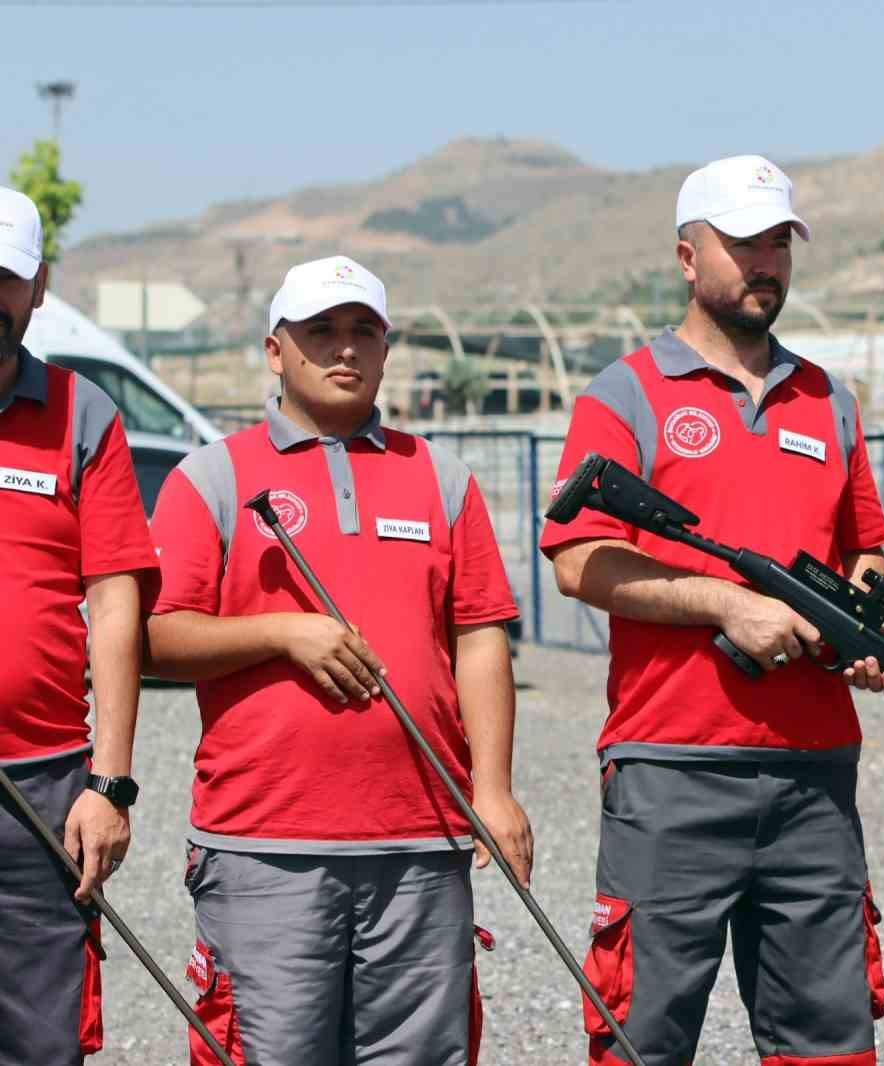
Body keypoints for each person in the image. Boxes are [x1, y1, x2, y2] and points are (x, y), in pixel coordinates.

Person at [542, 154, 884, 1066]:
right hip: (670, 768)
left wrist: (864, 629)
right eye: (742, 243)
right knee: (642, 1037)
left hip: (815, 775)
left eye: (778, 242)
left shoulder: (830, 400)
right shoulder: (624, 394)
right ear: (686, 255)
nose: (764, 263)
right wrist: (721, 605)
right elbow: (579, 563)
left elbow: (866, 549)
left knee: (829, 1042)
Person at [145, 255, 531, 1066]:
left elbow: (481, 637)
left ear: (387, 350)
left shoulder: (441, 478)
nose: (345, 349)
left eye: (365, 332)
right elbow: (156, 635)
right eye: (321, 331)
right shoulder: (211, 477)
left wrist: (492, 790)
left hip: (422, 846)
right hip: (263, 848)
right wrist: (283, 631)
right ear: (276, 350)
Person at [0, 186, 159, 1065]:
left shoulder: (84, 414)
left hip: (42, 794)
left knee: (41, 1042)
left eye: (4, 280)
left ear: (38, 287)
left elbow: (114, 601)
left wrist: (111, 784)